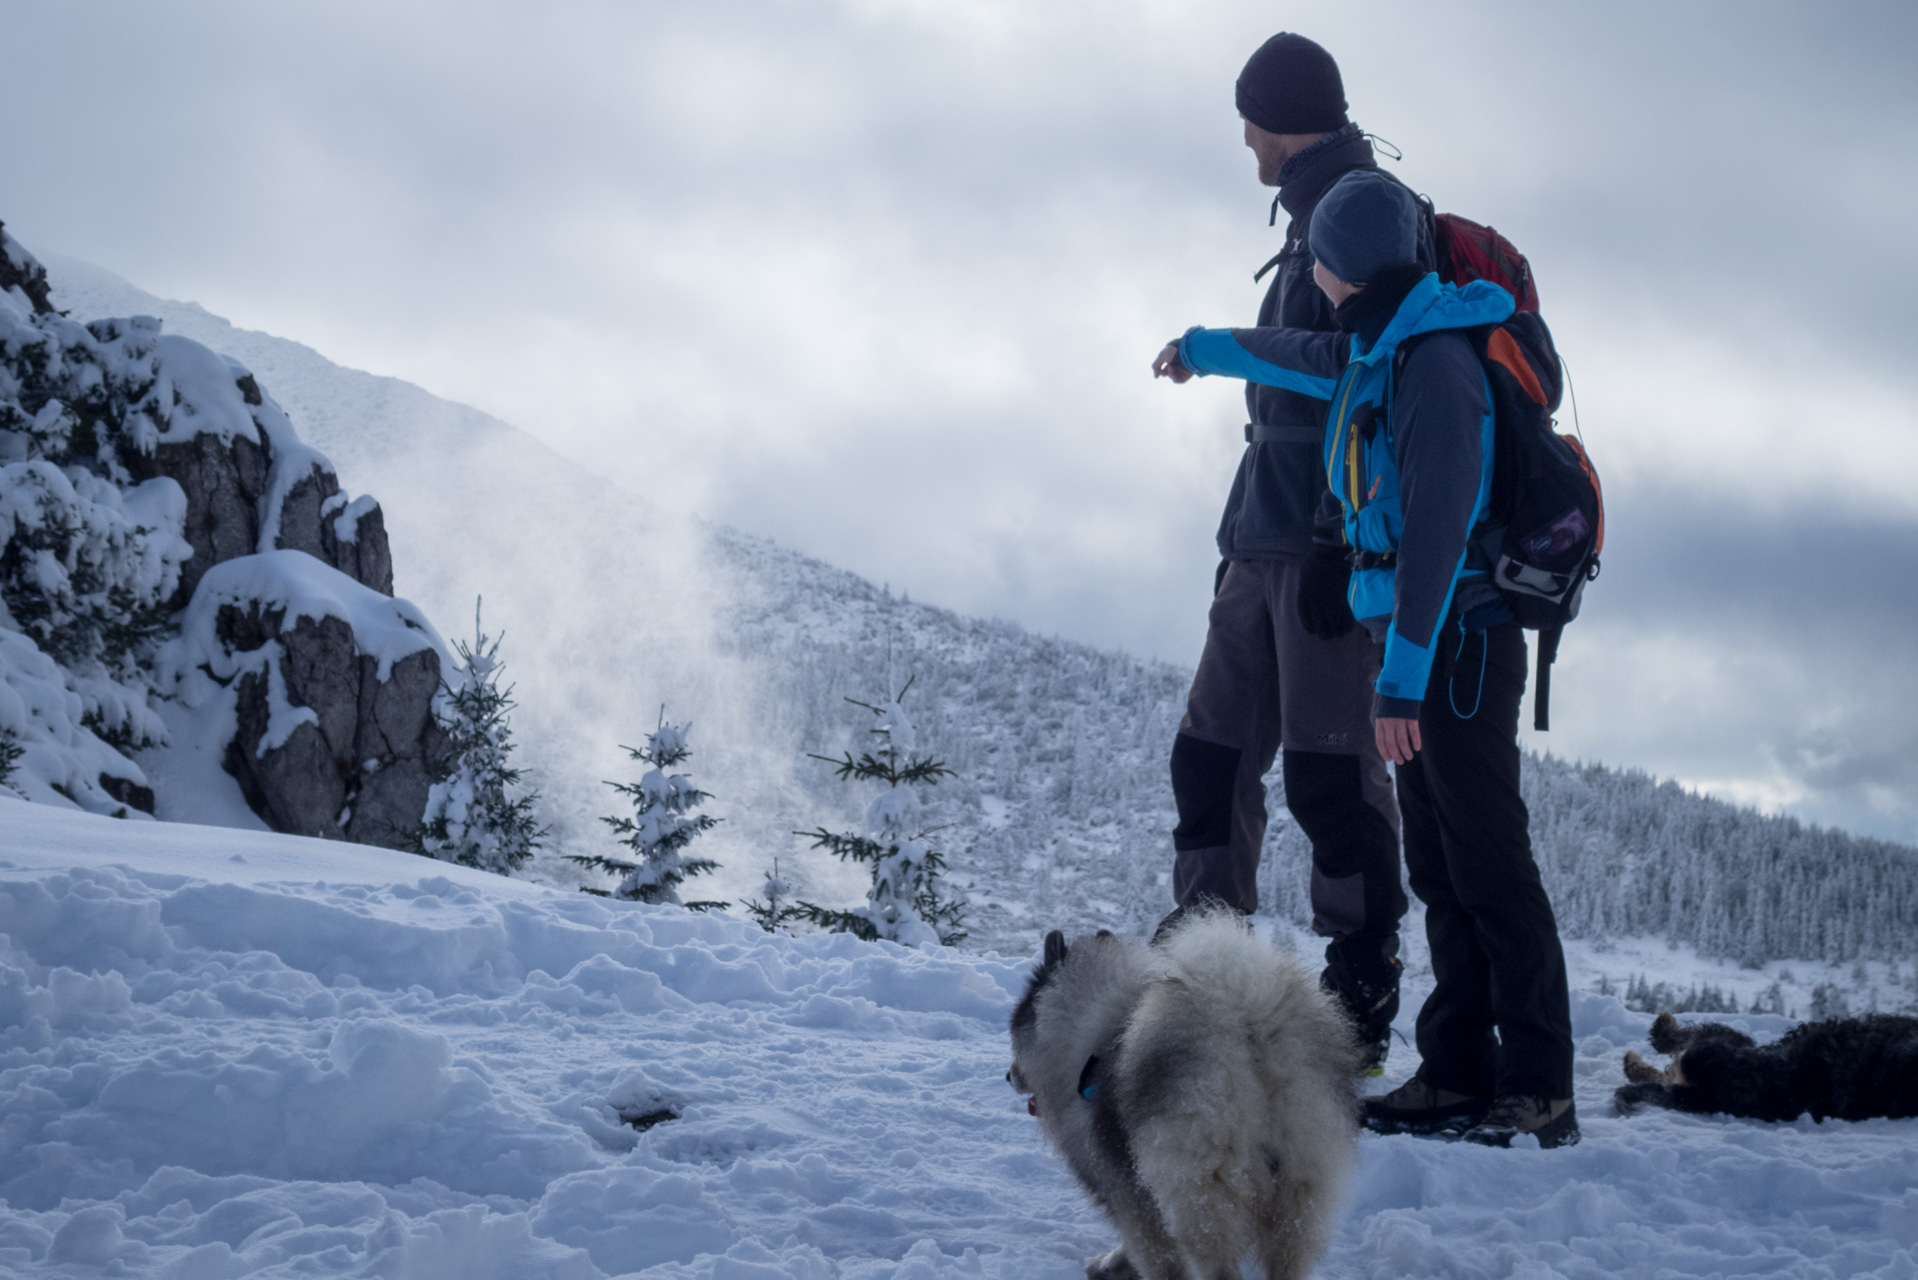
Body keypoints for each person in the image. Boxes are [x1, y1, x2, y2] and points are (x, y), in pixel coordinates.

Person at [1152, 169, 1580, 1148]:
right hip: (1420, 647)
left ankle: (1540, 1083)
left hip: (1456, 650)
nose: (1320, 279)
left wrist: (1400, 679)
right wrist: (1203, 350)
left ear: (1353, 268)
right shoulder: (1380, 344)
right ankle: (1459, 1065)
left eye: (1326, 263)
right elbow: (1297, 354)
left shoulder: (1434, 364)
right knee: (1439, 859)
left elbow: (1435, 530)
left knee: (1488, 861)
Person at [1152, 32, 1419, 1074]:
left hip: (1328, 547)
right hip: (1258, 533)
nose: (1245, 141)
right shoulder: (1311, 211)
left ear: (1282, 116)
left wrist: (1217, 347)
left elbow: (1365, 367)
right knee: (1208, 755)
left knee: (1329, 775)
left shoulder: (1367, 210)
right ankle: (1200, 980)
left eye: (1249, 120)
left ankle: (1359, 987)